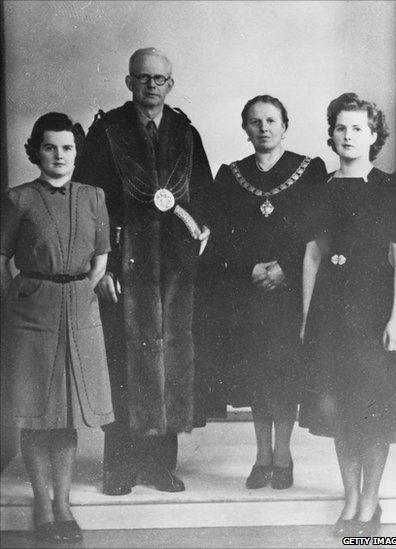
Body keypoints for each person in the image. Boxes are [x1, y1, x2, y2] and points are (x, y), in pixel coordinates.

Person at [74, 47, 213, 495]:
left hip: (174, 264)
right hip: (125, 260)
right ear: (129, 82)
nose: (151, 85)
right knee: (124, 358)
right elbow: (91, 202)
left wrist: (196, 244)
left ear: (170, 84)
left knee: (170, 356)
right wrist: (104, 268)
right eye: (143, 78)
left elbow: (203, 195)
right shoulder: (107, 130)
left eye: (159, 79)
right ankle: (119, 466)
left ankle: (160, 465)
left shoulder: (185, 131)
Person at [195, 95, 327, 489]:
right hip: (247, 291)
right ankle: (261, 456)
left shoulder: (309, 170)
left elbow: (316, 231)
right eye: (255, 122)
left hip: (291, 292)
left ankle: (283, 456)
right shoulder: (231, 174)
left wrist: (286, 267)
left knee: (283, 373)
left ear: (285, 125)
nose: (264, 128)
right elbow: (219, 239)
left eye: (271, 120)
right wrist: (248, 268)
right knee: (255, 372)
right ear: (245, 128)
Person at [299, 93, 396, 537]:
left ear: (373, 135)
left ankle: (370, 503)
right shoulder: (319, 190)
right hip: (331, 312)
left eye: (358, 129)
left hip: (374, 310)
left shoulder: (395, 187)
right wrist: (307, 320)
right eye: (341, 128)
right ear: (332, 134)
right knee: (342, 411)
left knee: (373, 410)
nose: (348, 136)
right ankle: (350, 500)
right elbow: (312, 257)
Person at [0, 112, 114, 543]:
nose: (60, 156)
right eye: (50, 147)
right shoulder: (18, 199)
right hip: (31, 313)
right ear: (36, 151)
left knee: (65, 416)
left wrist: (86, 287)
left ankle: (63, 503)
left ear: (77, 152)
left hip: (78, 311)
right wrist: (17, 299)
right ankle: (42, 504)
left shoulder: (94, 196)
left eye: (67, 147)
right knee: (35, 413)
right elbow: (0, 258)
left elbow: (101, 256)